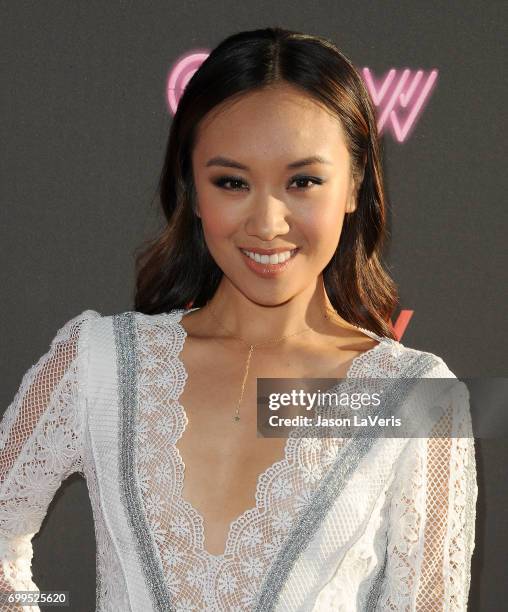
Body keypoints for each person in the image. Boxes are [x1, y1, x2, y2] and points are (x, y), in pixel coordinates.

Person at [0, 27, 477, 611]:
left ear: (354, 186)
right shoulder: (99, 363)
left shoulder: (412, 396)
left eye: (303, 181)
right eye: (232, 182)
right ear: (194, 191)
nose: (267, 221)